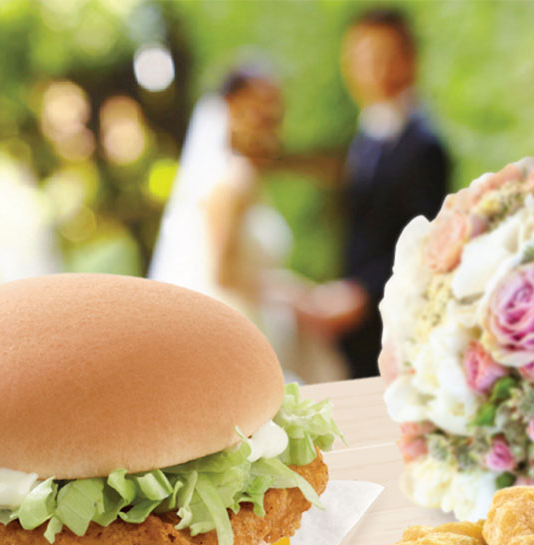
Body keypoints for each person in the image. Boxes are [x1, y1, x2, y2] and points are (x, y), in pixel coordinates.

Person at [149, 65, 346, 383]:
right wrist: (299, 300)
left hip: (252, 326)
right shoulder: (233, 181)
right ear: (231, 109)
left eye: (275, 111)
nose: (270, 120)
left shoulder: (239, 178)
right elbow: (223, 274)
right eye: (260, 110)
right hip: (237, 334)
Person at [295, 9, 451, 379]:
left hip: (393, 317)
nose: (373, 71)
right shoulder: (366, 135)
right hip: (355, 323)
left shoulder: (425, 146)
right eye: (362, 60)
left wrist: (362, 293)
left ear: (410, 59)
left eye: (384, 58)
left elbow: (422, 239)